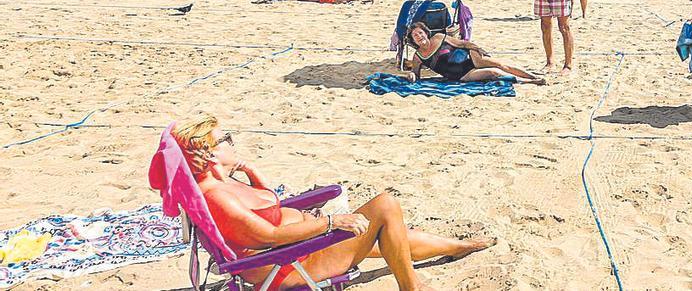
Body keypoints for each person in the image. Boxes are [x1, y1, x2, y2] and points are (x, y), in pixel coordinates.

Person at [171, 114, 492, 291]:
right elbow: (266, 237)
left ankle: (455, 247)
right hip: (289, 264)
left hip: (299, 248)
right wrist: (330, 223)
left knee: (386, 239)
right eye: (226, 139)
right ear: (210, 152)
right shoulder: (216, 197)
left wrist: (252, 173)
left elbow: (270, 204)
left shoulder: (221, 183)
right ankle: (413, 288)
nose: (232, 142)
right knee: (385, 206)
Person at [400, 22, 545, 85]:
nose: (420, 37)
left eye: (420, 33)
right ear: (413, 40)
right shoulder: (418, 56)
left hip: (471, 58)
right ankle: (531, 82)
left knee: (501, 65)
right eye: (415, 36)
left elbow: (462, 43)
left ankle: (534, 76)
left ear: (426, 32)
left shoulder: (438, 37)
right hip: (462, 75)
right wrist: (411, 75)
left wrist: (477, 48)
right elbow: (415, 74)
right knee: (494, 72)